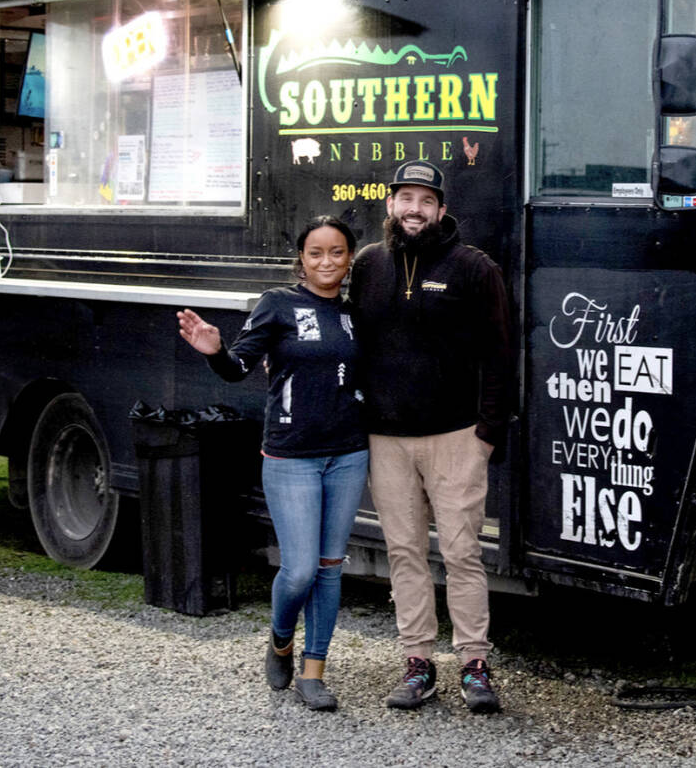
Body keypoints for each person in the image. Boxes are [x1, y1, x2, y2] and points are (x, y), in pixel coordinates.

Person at [176, 216, 367, 712]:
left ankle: (313, 672)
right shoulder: (277, 304)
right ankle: (281, 640)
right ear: (301, 259)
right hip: (291, 456)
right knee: (299, 570)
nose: (327, 262)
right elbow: (238, 366)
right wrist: (215, 351)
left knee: (329, 568)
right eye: (316, 253)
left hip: (348, 454)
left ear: (350, 258)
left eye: (337, 252)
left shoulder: (355, 312)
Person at [349, 160, 514, 713]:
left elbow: (501, 354)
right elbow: (350, 341)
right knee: (404, 553)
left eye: (425, 200)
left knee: (463, 553)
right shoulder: (368, 265)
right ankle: (417, 663)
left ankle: (474, 665)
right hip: (386, 439)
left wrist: (487, 433)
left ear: (441, 209)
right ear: (390, 204)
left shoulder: (473, 268)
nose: (414, 209)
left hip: (456, 437)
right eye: (405, 198)